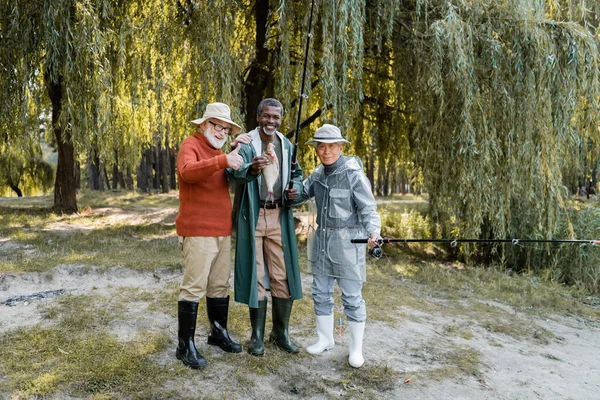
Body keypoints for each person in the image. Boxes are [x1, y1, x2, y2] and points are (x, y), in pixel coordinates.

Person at [296, 124, 381, 368]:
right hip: (322, 241)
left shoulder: (353, 174)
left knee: (352, 297)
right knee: (320, 292)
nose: (326, 151)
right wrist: (291, 191)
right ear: (316, 150)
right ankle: (325, 339)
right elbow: (302, 193)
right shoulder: (318, 175)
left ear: (341, 147)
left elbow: (368, 209)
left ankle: (355, 349)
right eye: (321, 146)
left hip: (348, 243)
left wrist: (374, 232)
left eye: (331, 146)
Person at [175, 102, 250, 369]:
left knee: (219, 285)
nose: (221, 132)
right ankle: (185, 347)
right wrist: (223, 159)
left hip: (221, 231)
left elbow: (229, 171)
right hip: (197, 231)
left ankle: (218, 333)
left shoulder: (220, 151)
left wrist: (234, 154)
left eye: (226, 129)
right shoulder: (190, 145)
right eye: (217, 126)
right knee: (194, 287)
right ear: (204, 124)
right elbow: (187, 172)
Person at [229, 98, 303, 356]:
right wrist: (251, 169)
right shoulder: (245, 142)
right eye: (267, 116)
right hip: (253, 214)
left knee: (282, 273)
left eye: (276, 117)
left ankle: (280, 332)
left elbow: (298, 175)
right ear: (258, 116)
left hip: (279, 215)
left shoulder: (287, 144)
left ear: (281, 119)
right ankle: (257, 336)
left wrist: (298, 190)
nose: (271, 121)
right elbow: (233, 173)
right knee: (257, 272)